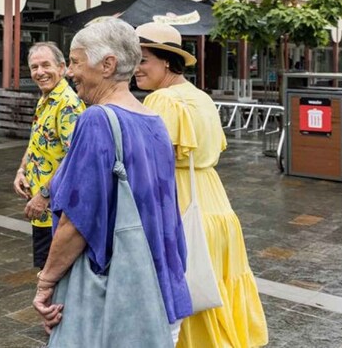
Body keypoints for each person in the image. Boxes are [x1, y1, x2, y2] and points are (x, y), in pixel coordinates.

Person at [32, 18, 192, 345]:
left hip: (116, 299)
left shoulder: (96, 120)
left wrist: (46, 281)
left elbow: (77, 222)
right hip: (160, 290)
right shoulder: (154, 120)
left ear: (107, 65)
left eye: (75, 62)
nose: (70, 72)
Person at [134, 22, 269, 348]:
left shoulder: (162, 100)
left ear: (166, 60)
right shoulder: (201, 98)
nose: (135, 69)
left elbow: (149, 161)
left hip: (180, 203)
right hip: (215, 203)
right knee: (216, 285)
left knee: (188, 291)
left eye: (143, 59)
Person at [13, 42, 84, 268]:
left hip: (56, 211)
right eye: (34, 67)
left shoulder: (67, 104)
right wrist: (21, 170)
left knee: (53, 278)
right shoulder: (46, 98)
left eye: (46, 65)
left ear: (62, 68)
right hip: (42, 211)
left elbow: (75, 159)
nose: (40, 72)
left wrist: (43, 195)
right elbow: (38, 142)